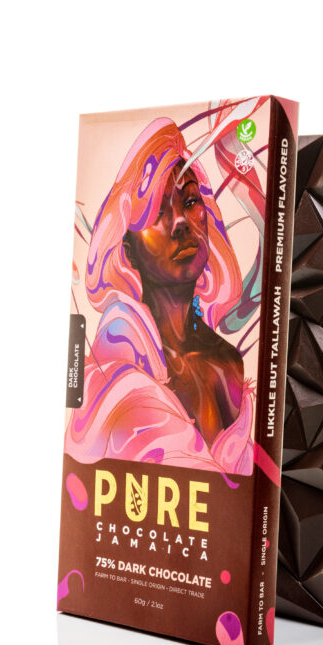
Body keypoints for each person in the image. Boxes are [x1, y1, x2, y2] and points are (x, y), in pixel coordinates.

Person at [65, 116, 256, 475]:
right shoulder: (113, 374)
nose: (181, 222)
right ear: (127, 247)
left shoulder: (229, 361)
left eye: (190, 200)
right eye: (157, 211)